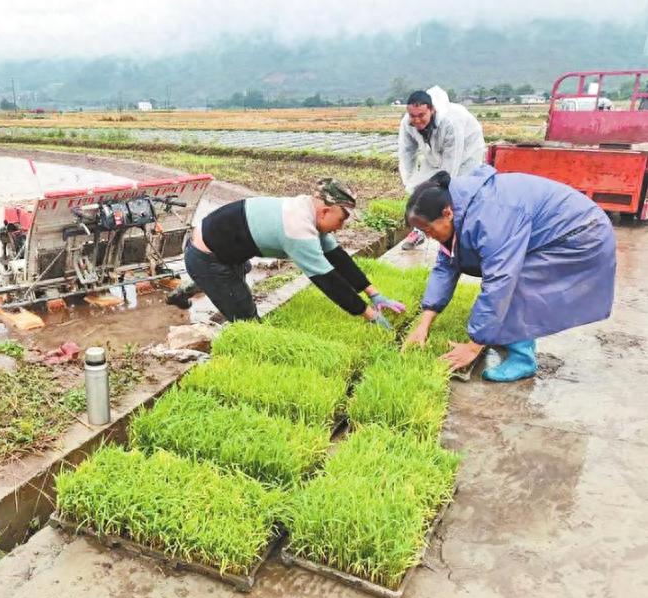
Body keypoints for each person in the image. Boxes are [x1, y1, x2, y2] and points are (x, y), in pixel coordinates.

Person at [403, 166, 616, 382]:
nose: (429, 237)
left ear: (447, 213)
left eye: (429, 230)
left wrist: (474, 345)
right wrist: (423, 325)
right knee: (505, 276)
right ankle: (508, 335)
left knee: (518, 281)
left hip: (581, 234)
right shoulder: (462, 209)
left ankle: (523, 359)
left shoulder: (489, 217)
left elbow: (500, 282)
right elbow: (446, 265)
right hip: (561, 232)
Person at [184, 178, 406, 327]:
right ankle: (204, 282)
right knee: (248, 321)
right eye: (341, 220)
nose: (341, 227)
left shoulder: (307, 210)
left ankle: (198, 286)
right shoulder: (297, 229)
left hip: (227, 251)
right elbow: (328, 281)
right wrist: (369, 315)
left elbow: (337, 257)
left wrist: (373, 293)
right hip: (207, 258)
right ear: (326, 211)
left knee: (238, 281)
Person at [398, 87, 486, 250]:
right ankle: (420, 231)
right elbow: (406, 153)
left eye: (421, 115)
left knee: (459, 193)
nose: (416, 120)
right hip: (433, 154)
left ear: (432, 110)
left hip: (466, 153)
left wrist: (441, 191)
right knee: (419, 189)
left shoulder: (451, 122)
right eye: (412, 116)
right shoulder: (407, 123)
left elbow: (450, 168)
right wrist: (409, 183)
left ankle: (460, 234)